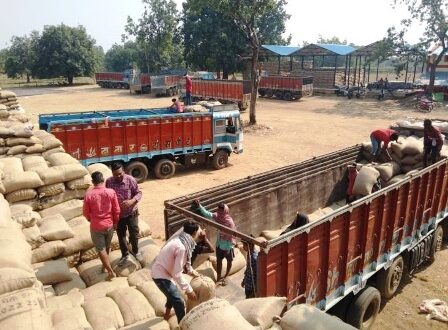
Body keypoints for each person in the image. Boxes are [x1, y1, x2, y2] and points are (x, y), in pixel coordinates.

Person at [151, 221, 200, 323]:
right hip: (160, 275)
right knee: (179, 302)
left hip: (163, 271)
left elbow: (184, 263)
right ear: (195, 233)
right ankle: (182, 325)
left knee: (172, 293)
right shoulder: (182, 247)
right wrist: (189, 290)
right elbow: (176, 274)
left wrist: (191, 271)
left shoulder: (179, 239)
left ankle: (167, 315)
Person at [83, 171, 120, 281]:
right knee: (107, 247)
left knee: (101, 249)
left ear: (93, 182)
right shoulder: (111, 192)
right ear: (103, 180)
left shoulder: (89, 195)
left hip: (96, 226)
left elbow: (85, 212)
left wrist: (90, 219)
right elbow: (116, 209)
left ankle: (110, 271)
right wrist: (116, 222)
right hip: (109, 224)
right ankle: (105, 267)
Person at [106, 162, 142, 265]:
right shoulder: (109, 182)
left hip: (132, 213)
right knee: (121, 235)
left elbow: (139, 193)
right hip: (118, 215)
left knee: (134, 234)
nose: (118, 176)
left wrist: (132, 201)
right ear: (112, 173)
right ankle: (125, 254)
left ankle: (135, 251)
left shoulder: (130, 179)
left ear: (123, 171)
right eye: (115, 174)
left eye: (120, 173)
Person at [195, 201, 236, 286]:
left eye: (221, 211)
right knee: (219, 260)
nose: (219, 212)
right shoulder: (217, 216)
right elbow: (207, 214)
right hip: (219, 244)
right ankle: (218, 277)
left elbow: (232, 234)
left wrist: (227, 247)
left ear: (225, 211)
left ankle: (226, 277)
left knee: (229, 261)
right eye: (218, 210)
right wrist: (199, 205)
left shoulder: (229, 222)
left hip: (228, 245)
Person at [190, 200, 215, 265]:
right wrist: (205, 238)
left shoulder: (186, 231)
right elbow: (211, 250)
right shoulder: (193, 245)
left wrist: (199, 206)